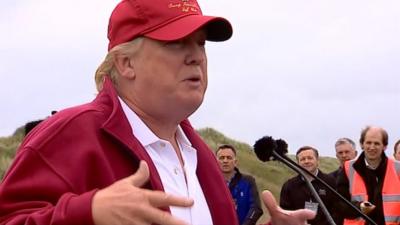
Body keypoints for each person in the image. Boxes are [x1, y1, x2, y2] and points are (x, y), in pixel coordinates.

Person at [0, 0, 317, 224]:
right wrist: (88, 214)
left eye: (201, 43)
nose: (196, 57)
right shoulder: (68, 135)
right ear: (126, 63)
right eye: (177, 43)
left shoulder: (200, 156)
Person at [337, 126, 400, 225]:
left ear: (385, 146)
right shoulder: (348, 168)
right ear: (362, 144)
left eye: (377, 143)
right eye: (368, 143)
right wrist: (360, 207)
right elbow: (338, 204)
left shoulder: (398, 169)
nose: (372, 147)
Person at [280, 146, 337, 225]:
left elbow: (337, 211)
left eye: (310, 158)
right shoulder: (289, 186)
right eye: (302, 159)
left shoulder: (330, 182)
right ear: (298, 163)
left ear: (317, 161)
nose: (306, 161)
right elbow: (285, 212)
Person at [216, 144, 263, 225]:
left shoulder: (248, 181)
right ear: (215, 161)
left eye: (229, 158)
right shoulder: (210, 183)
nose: (225, 161)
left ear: (235, 162)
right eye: (221, 158)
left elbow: (256, 208)